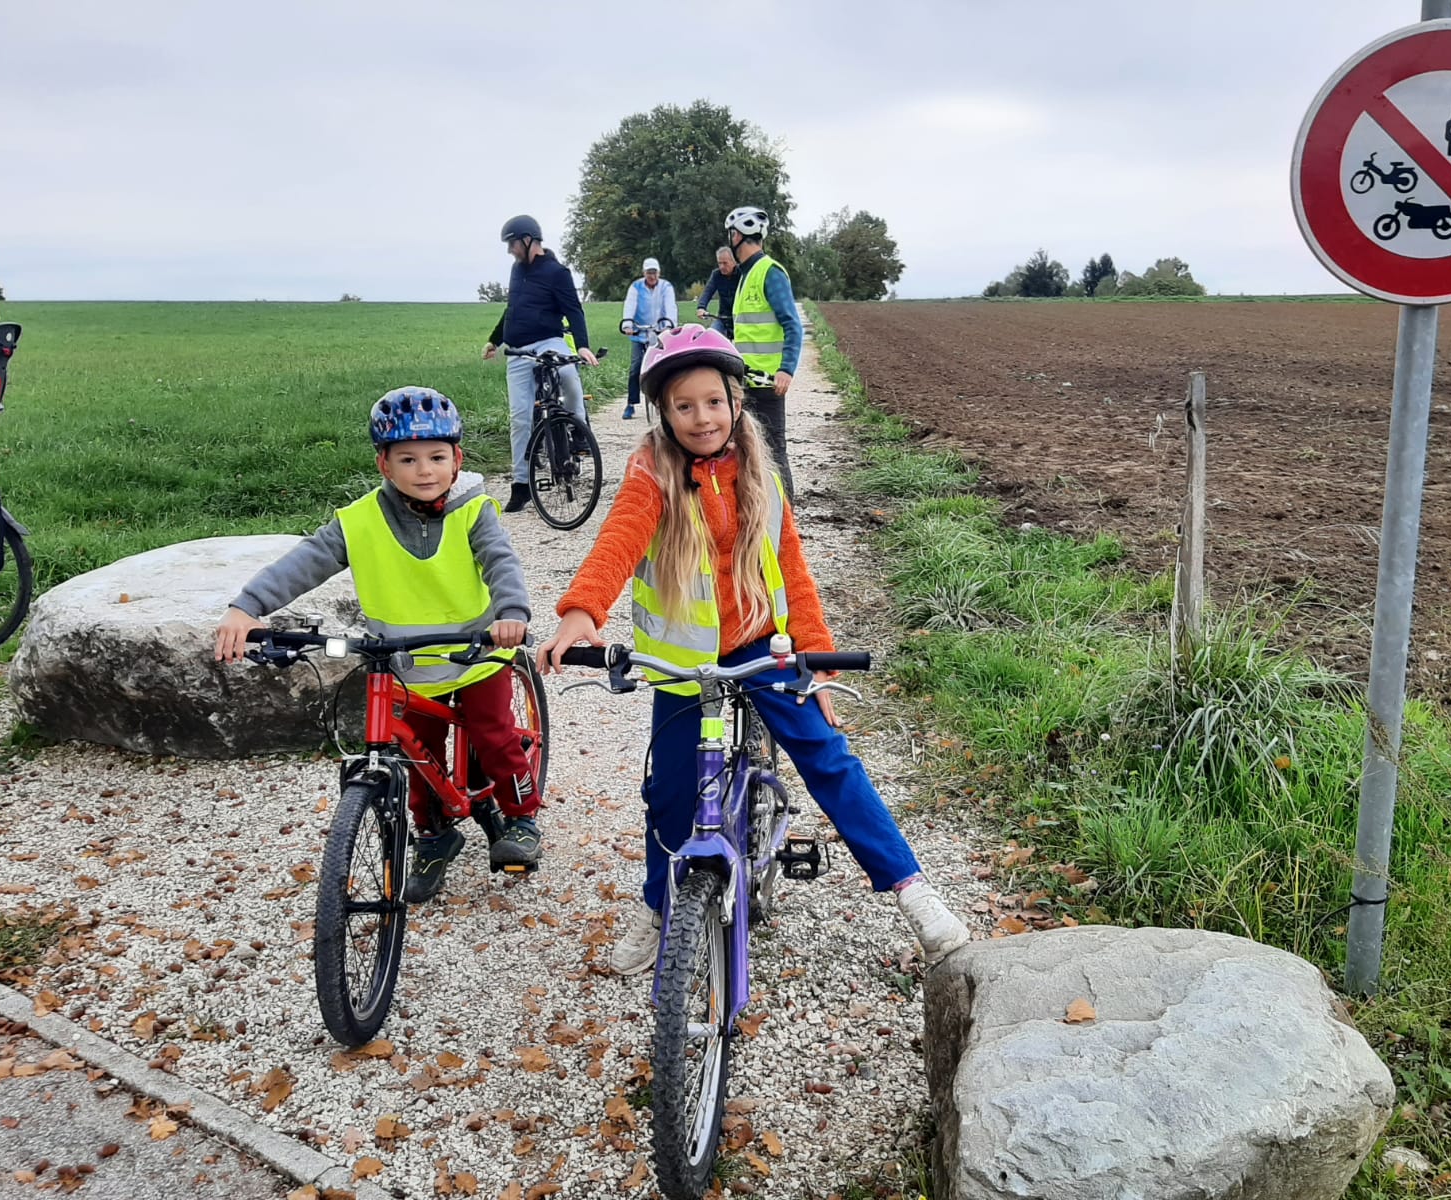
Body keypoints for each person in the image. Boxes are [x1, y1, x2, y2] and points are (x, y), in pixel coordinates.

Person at [537, 326, 970, 974]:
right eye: (684, 406)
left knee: (829, 758)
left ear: (736, 401)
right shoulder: (651, 471)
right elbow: (620, 539)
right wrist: (580, 610)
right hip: (685, 668)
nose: (701, 417)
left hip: (763, 645)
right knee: (669, 795)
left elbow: (792, 570)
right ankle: (660, 908)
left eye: (713, 401)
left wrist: (817, 660)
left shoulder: (760, 473)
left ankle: (911, 889)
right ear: (664, 412)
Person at [213, 389, 544, 902]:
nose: (425, 470)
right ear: (383, 465)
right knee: (415, 759)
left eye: (437, 457)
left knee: (496, 738)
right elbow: (305, 562)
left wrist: (511, 614)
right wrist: (247, 607)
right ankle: (434, 836)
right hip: (406, 666)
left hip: (478, 655)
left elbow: (501, 563)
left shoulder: (474, 511)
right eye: (407, 459)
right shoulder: (358, 521)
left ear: (457, 460)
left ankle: (521, 819)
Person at [483, 215, 600, 513]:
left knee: (568, 375)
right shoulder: (516, 271)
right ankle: (521, 486)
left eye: (512, 243)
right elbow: (513, 310)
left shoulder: (557, 272)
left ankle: (578, 431)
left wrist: (583, 345)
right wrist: (494, 340)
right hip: (518, 350)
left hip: (549, 340)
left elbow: (574, 310)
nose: (510, 250)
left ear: (528, 239)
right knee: (520, 417)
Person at [722, 205, 802, 499]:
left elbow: (792, 324)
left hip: (768, 382)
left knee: (774, 454)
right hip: (744, 381)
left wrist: (786, 369)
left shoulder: (770, 272)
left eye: (732, 234)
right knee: (746, 452)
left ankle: (786, 526)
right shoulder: (746, 274)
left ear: (738, 235)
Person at [619, 257, 678, 420]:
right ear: (644, 273)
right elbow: (630, 305)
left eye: (654, 273)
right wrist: (628, 325)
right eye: (649, 273)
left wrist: (668, 325)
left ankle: (665, 400)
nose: (652, 276)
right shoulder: (636, 287)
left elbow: (670, 307)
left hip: (659, 331)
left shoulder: (665, 287)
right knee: (635, 368)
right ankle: (631, 404)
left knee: (664, 366)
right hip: (640, 332)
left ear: (658, 273)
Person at [695, 246, 738, 340]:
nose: (722, 266)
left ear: (734, 261)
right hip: (723, 319)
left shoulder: (742, 273)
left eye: (725, 263)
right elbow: (708, 291)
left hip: (740, 319)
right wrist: (701, 307)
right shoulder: (716, 275)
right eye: (719, 263)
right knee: (710, 337)